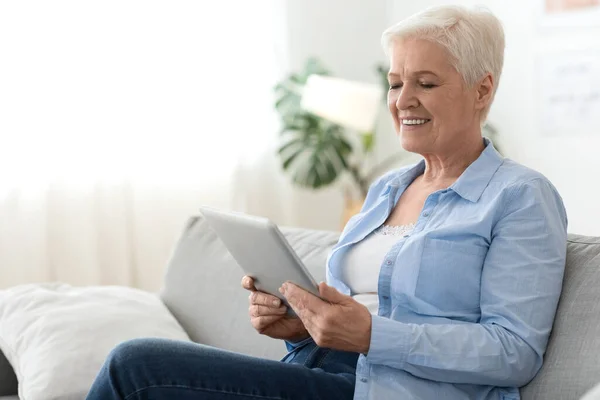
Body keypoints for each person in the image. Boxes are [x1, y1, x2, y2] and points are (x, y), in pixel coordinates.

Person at [86, 5, 568, 400]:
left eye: (426, 83)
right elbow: (346, 311)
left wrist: (373, 336)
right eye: (396, 82)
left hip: (392, 392)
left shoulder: (519, 197)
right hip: (320, 370)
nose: (403, 100)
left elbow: (514, 352)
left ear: (482, 89)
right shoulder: (387, 190)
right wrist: (300, 324)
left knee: (137, 366)